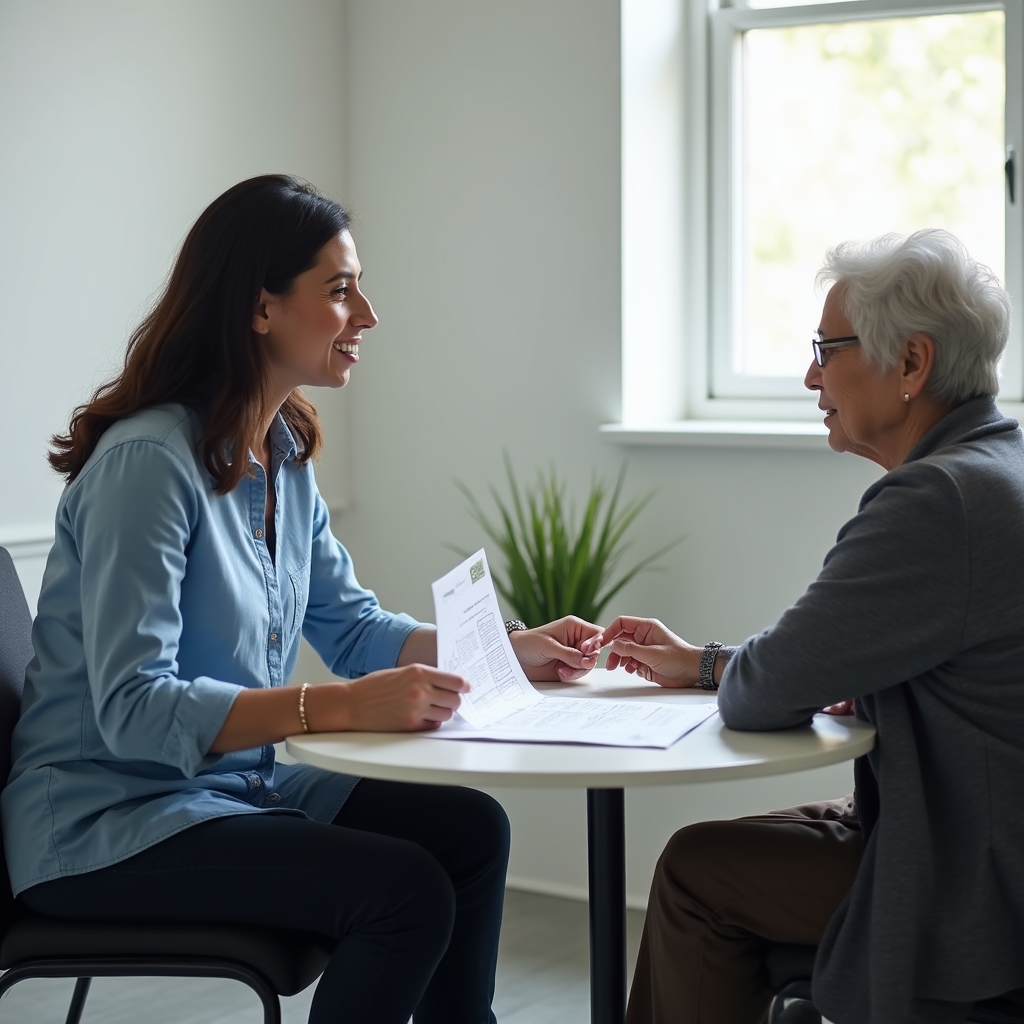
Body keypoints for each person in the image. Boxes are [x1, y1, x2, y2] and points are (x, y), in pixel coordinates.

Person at [1, 174, 602, 1024]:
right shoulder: (148, 467)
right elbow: (135, 710)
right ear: (260, 309)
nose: (368, 315)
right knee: (403, 893)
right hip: (109, 824)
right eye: (341, 290)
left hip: (228, 791)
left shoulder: (282, 454)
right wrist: (339, 708)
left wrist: (510, 647)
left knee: (469, 832)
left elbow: (355, 628)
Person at [594, 230, 1024, 1024]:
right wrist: (705, 663)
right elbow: (814, 664)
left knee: (696, 869)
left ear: (912, 364)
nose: (809, 375)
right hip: (973, 821)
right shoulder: (1000, 465)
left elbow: (767, 691)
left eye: (827, 349)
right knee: (726, 854)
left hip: (977, 874)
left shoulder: (936, 503)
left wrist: (735, 671)